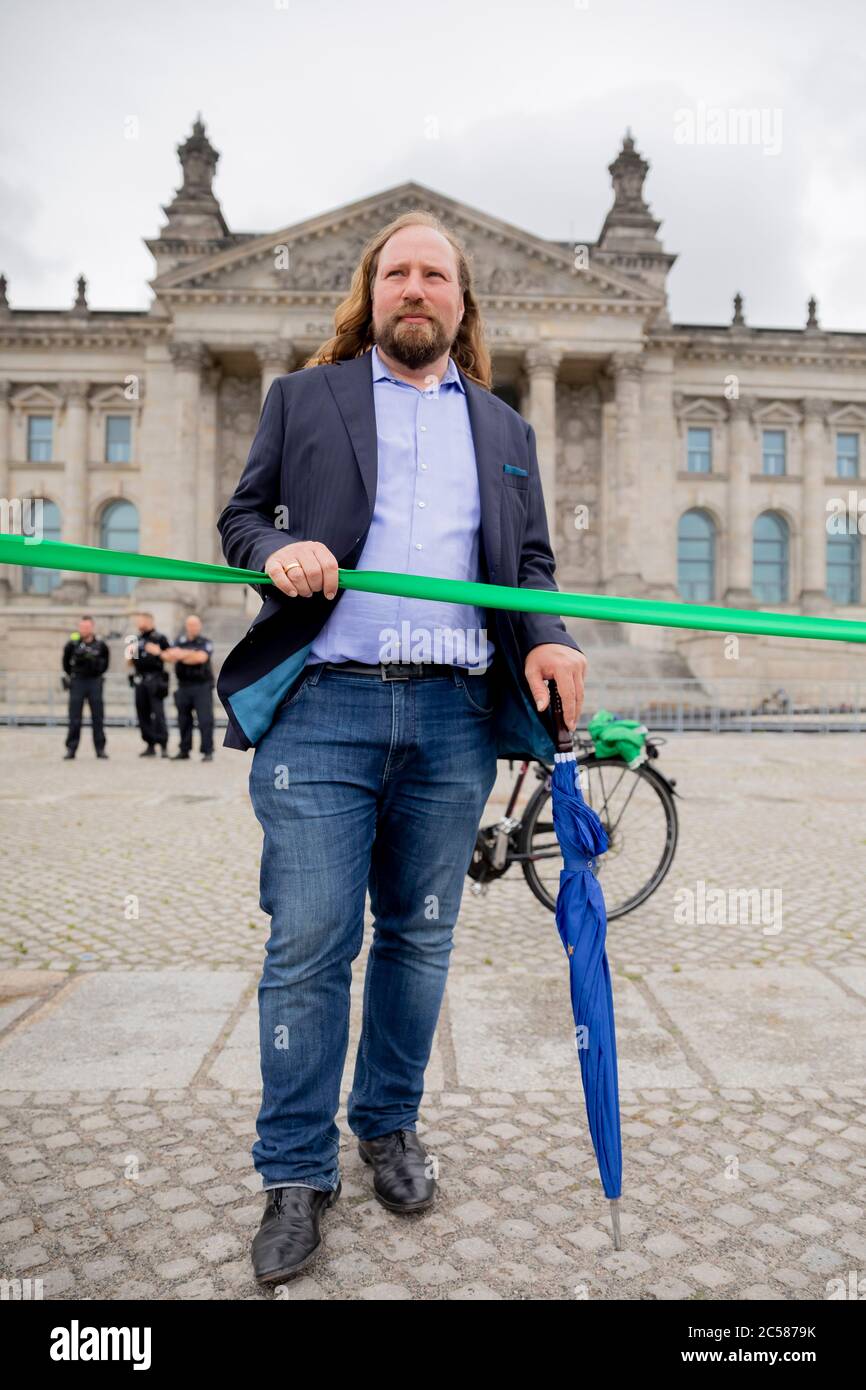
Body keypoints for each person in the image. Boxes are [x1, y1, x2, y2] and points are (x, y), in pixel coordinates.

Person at [216, 210, 587, 1286]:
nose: (415, 287)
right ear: (370, 294)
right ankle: (294, 1170)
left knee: (418, 941)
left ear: (461, 302)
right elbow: (242, 520)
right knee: (310, 940)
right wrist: (280, 547)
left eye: (435, 273)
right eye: (397, 273)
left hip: (450, 717)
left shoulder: (505, 428)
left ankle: (386, 1125)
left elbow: (527, 567)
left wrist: (552, 641)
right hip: (324, 708)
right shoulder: (303, 397)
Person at [161, 615, 216, 761]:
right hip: (183, 686)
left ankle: (207, 751)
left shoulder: (205, 642)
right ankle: (184, 749)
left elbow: (201, 658)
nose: (193, 628)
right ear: (186, 626)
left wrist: (181, 654)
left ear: (200, 626)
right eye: (190, 625)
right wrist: (190, 654)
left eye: (196, 625)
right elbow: (167, 656)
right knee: (183, 720)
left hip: (202, 686)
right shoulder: (179, 641)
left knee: (205, 720)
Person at [62, 615, 110, 760]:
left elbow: (106, 663)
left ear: (92, 627)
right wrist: (72, 675)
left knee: (98, 717)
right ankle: (71, 748)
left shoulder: (101, 644)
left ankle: (100, 748)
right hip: (78, 681)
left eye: (87, 627)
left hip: (94, 681)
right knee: (74, 717)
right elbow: (65, 663)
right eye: (82, 627)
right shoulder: (72, 644)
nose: (84, 630)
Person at [126, 612, 170, 757]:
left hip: (156, 679)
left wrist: (158, 652)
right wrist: (129, 655)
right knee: (142, 713)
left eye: (142, 620)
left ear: (150, 621)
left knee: (158, 714)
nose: (139, 623)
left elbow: (169, 657)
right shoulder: (136, 639)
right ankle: (150, 743)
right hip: (140, 679)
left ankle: (163, 744)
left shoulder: (159, 638)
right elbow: (130, 662)